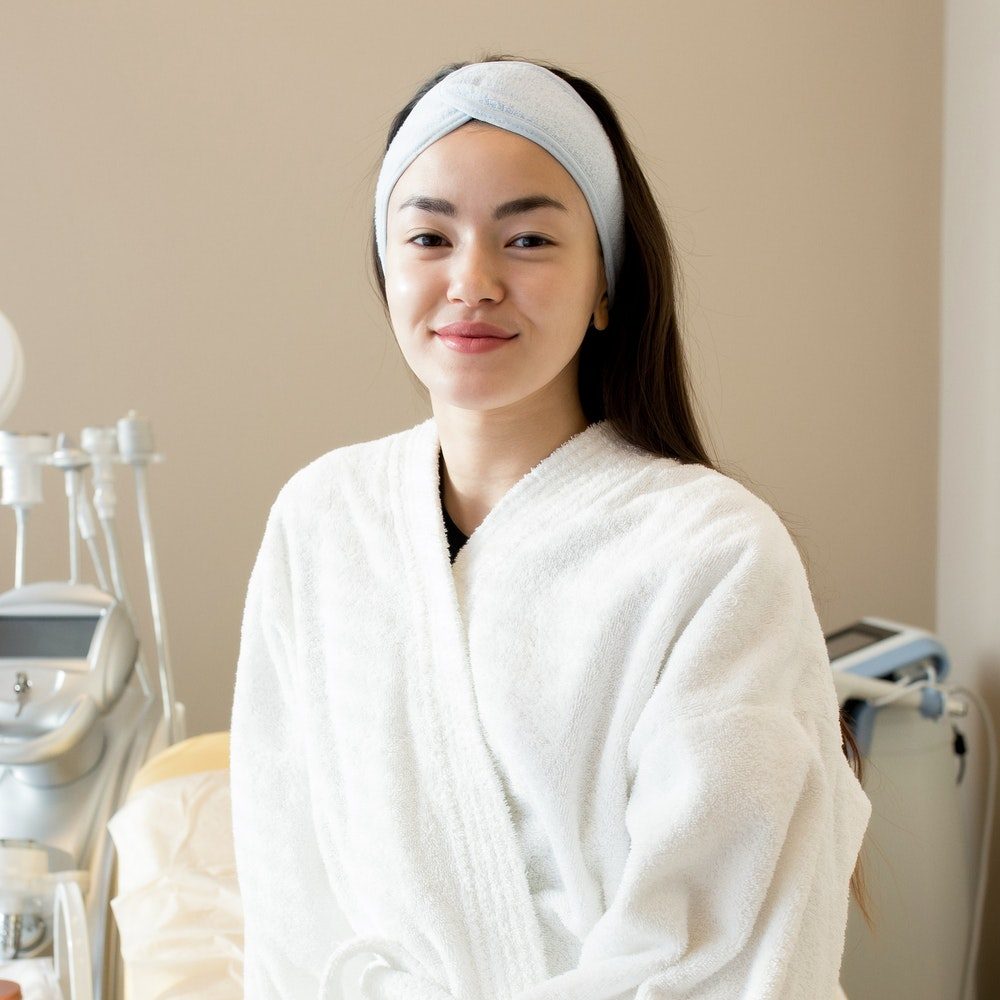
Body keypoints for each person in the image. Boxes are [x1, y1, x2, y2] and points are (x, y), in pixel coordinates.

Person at [230, 56, 872, 1000]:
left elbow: (724, 947)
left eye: (527, 239)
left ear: (606, 282)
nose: (473, 281)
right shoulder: (321, 520)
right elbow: (288, 891)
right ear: (386, 268)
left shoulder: (715, 553)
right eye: (428, 237)